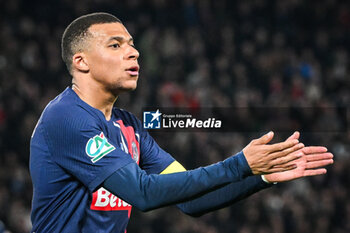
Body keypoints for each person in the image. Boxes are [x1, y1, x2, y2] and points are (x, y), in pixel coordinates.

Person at [29, 12, 333, 233]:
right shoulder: (66, 118)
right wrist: (239, 164)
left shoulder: (131, 127)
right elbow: (142, 194)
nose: (133, 52)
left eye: (132, 44)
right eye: (115, 45)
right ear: (81, 61)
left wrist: (261, 176)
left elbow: (193, 202)